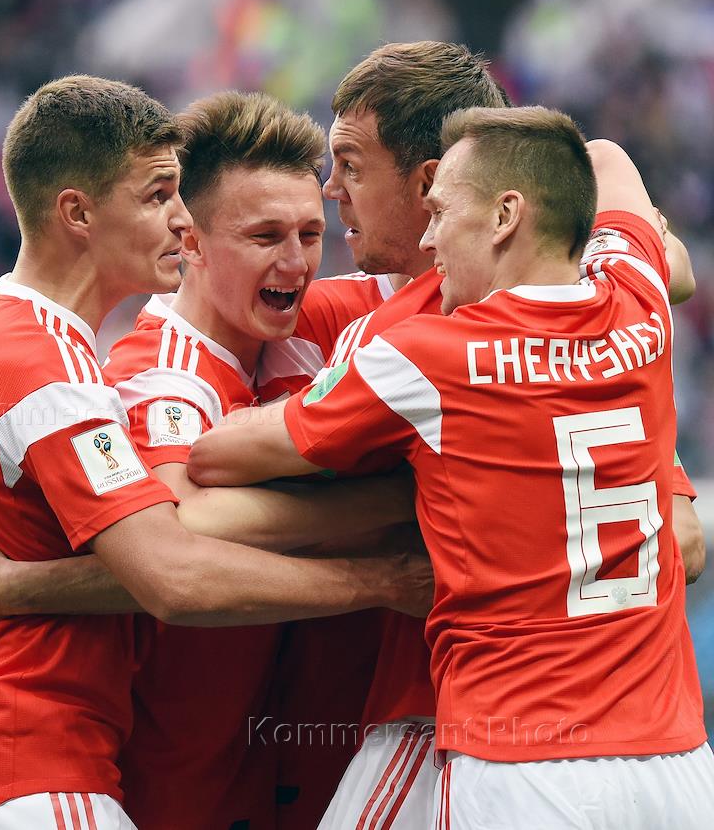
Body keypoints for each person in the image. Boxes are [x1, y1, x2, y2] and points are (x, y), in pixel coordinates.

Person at [0, 75, 430, 830]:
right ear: (80, 213)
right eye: (157, 197)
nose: (299, 262)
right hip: (45, 766)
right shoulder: (101, 375)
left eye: (311, 235)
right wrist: (388, 555)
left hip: (48, 761)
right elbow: (171, 562)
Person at [189, 105, 714, 829]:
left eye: (440, 212)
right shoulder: (639, 302)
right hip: (676, 762)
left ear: (505, 216)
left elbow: (217, 453)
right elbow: (608, 160)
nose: (429, 237)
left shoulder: (427, 354)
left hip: (521, 766)